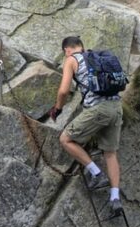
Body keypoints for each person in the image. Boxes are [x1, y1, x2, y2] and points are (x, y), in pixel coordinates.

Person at [50, 36, 124, 214]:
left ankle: (96, 173)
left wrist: (58, 109)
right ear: (81, 47)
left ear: (67, 50)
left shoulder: (71, 60)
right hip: (116, 107)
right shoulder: (97, 57)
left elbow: (64, 90)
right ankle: (115, 198)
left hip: (98, 110)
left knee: (66, 139)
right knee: (110, 153)